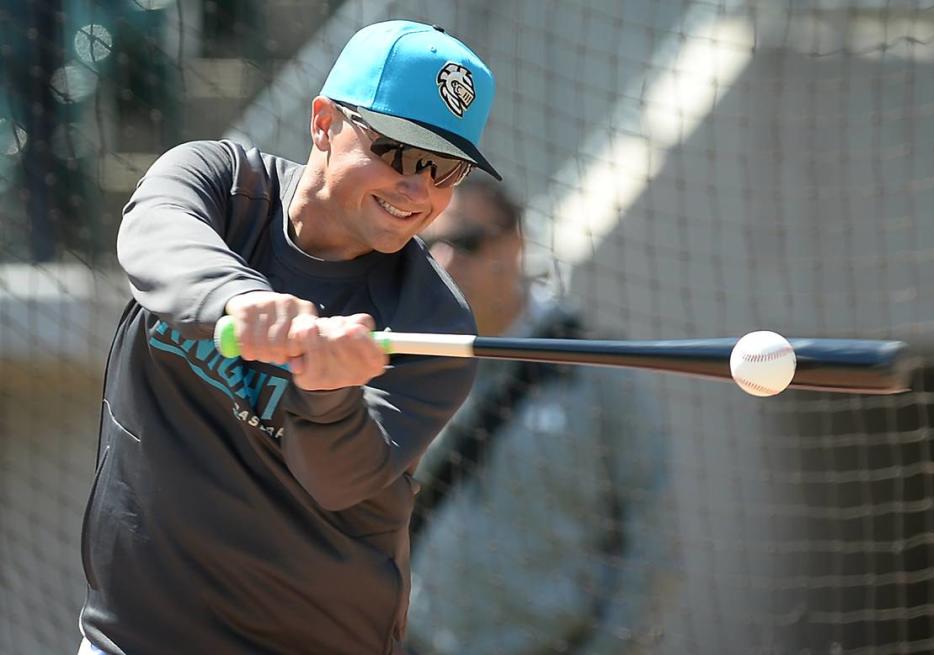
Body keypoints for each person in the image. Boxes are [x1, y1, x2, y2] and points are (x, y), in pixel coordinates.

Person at [78, 20, 501, 655]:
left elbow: (341, 482)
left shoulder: (432, 321)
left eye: (447, 171)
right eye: (400, 153)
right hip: (129, 636)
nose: (419, 192)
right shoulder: (220, 183)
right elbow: (154, 235)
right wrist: (246, 302)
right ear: (324, 122)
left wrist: (329, 395)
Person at [405, 178, 670, 654]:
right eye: (428, 244)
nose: (445, 261)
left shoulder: (598, 370)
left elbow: (653, 538)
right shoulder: (400, 366)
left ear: (516, 243)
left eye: (466, 242)